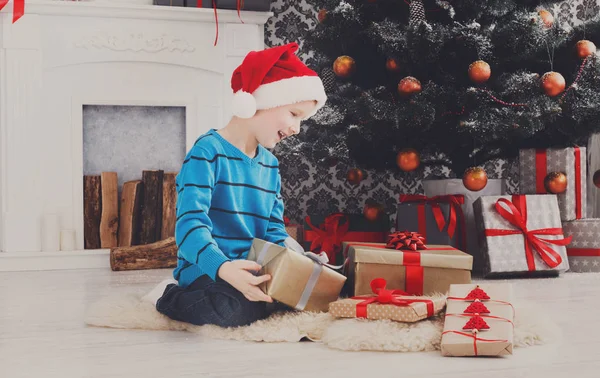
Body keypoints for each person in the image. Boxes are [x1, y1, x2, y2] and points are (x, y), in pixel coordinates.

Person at [142, 42, 327, 328]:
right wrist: (224, 268)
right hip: (209, 270)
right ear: (261, 101)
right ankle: (168, 296)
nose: (296, 129)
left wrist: (299, 262)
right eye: (294, 114)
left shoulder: (270, 165)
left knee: (301, 298)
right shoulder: (207, 152)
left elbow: (273, 231)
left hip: (252, 269)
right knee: (234, 310)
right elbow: (190, 227)